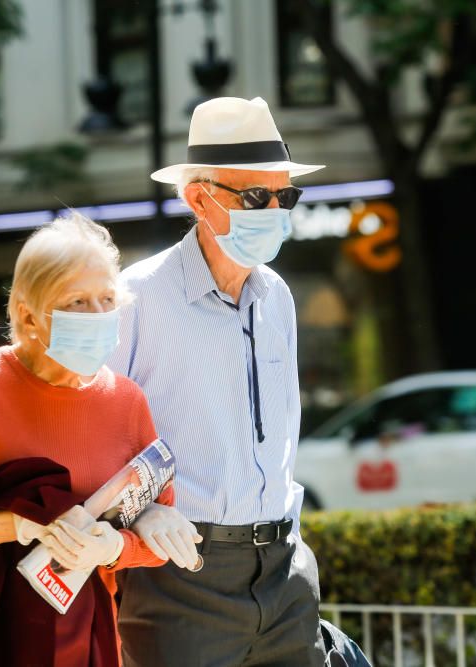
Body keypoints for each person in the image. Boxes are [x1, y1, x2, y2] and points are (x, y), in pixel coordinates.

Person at [0, 214, 199, 667]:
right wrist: (19, 525)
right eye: (78, 302)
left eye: (108, 299)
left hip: (87, 641)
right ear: (27, 315)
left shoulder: (127, 401)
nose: (99, 317)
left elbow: (156, 531)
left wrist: (114, 548)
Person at [108, 96, 329, 666]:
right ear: (198, 198)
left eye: (287, 196)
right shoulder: (135, 298)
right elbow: (95, 441)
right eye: (257, 196)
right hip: (180, 574)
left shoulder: (276, 296)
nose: (276, 210)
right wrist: (142, 512)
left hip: (285, 572)